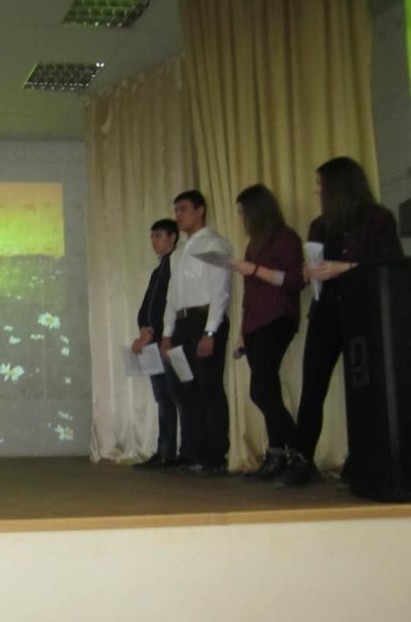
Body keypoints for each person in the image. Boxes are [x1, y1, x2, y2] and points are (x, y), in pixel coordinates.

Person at [277, 157, 404, 487]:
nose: (317, 190)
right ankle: (302, 460)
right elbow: (313, 267)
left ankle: (363, 460)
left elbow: (392, 265)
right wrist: (309, 272)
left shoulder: (377, 219)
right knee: (312, 387)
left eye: (321, 184)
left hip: (363, 314)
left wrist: (344, 268)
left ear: (338, 185)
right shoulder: (320, 226)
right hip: (326, 312)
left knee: (364, 389)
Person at [229, 185, 305, 480]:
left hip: (277, 318)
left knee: (260, 390)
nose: (241, 218)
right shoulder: (253, 245)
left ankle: (300, 450)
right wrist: (241, 334)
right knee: (268, 389)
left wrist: (254, 270)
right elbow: (249, 295)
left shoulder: (285, 238)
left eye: (243, 212)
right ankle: (276, 455)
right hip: (255, 324)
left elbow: (296, 280)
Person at [159, 190, 233, 475]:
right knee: (186, 389)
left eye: (183, 209)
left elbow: (220, 291)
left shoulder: (215, 244)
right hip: (182, 324)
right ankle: (192, 451)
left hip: (204, 321)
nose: (178, 215)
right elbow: (172, 296)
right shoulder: (178, 253)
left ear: (200, 210)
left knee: (208, 387)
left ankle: (215, 455)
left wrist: (210, 332)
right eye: (176, 210)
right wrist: (167, 334)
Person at [133, 219, 181, 469]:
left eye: (159, 235)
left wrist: (154, 332)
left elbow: (168, 306)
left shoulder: (176, 265)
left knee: (175, 396)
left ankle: (174, 452)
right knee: (162, 397)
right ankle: (164, 450)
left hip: (167, 342)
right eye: (152, 236)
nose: (154, 240)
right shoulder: (158, 269)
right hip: (152, 342)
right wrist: (143, 328)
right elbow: (147, 307)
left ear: (172, 237)